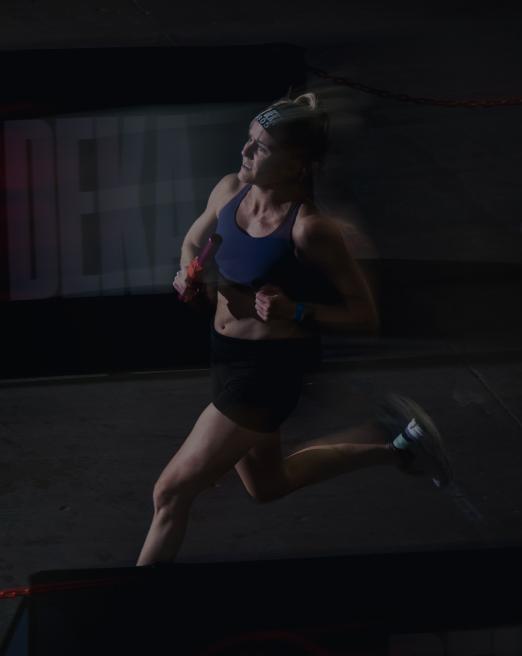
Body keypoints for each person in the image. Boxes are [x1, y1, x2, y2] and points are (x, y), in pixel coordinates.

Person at [137, 92, 452, 566]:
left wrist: (298, 309)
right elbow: (191, 241)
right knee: (268, 486)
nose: (245, 151)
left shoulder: (309, 230)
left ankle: (132, 603)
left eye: (261, 147)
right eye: (249, 139)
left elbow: (363, 313)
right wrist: (188, 274)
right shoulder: (228, 190)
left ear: (295, 165)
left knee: (170, 493)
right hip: (225, 356)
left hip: (267, 375)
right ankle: (398, 444)